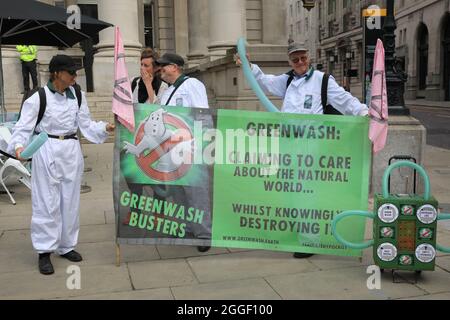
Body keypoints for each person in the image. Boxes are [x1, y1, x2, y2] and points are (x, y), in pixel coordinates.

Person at [236, 42, 368, 259]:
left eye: (303, 58)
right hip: (287, 143)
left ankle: (309, 241)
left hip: (309, 144)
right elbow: (264, 82)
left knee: (305, 191)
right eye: (295, 59)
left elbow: (345, 101)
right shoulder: (287, 80)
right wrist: (248, 65)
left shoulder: (323, 80)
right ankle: (297, 230)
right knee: (289, 189)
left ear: (309, 58)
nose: (300, 63)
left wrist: (363, 113)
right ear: (290, 61)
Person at [8, 55, 115, 275]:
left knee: (70, 200)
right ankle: (44, 251)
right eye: (71, 72)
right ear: (57, 73)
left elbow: (85, 124)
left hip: (71, 150)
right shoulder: (37, 98)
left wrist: (105, 128)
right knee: (46, 201)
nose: (76, 77)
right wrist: (19, 147)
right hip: (46, 149)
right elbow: (22, 128)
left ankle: (66, 246)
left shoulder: (77, 95)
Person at [157, 52, 211, 253]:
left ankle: (204, 233)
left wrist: (200, 144)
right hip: (172, 148)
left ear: (175, 67)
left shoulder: (192, 85)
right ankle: (187, 226)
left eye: (164, 65)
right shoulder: (167, 91)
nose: (160, 69)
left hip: (190, 147)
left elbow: (202, 115)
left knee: (197, 192)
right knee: (179, 191)